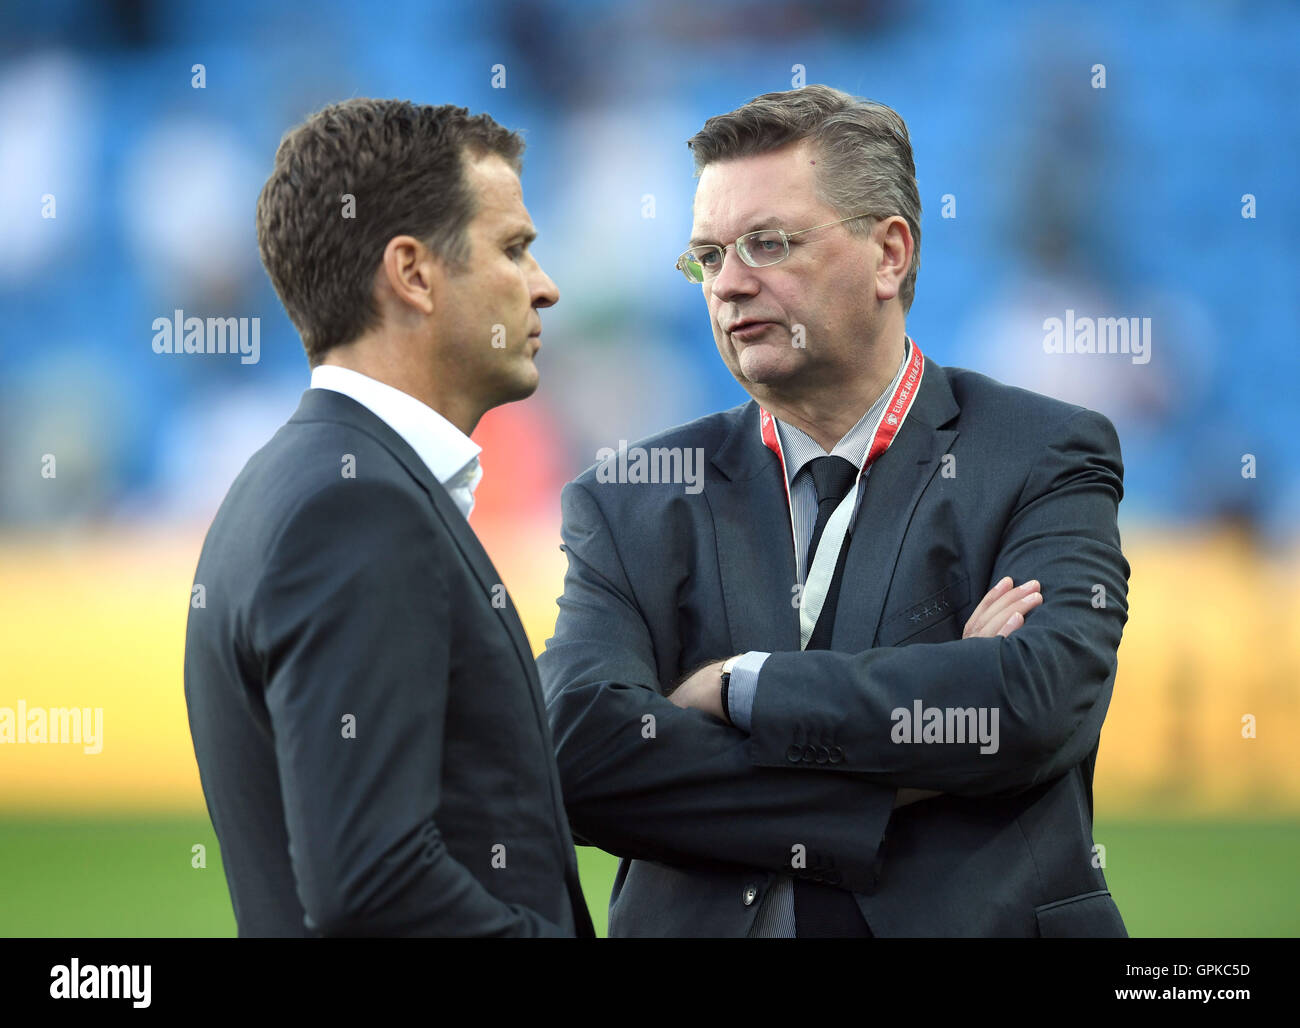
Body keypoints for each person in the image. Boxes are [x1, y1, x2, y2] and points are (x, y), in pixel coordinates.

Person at [538, 85, 1129, 937]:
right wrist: (907, 762)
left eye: (767, 244)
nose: (728, 285)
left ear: (890, 254)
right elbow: (579, 758)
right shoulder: (630, 493)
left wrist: (739, 689)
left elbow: (1033, 702)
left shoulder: (1040, 451)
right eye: (707, 256)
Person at [184, 98, 593, 938]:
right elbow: (372, 884)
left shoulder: (299, 483)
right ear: (413, 274)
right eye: (515, 249)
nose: (545, 286)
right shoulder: (355, 507)